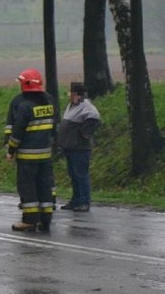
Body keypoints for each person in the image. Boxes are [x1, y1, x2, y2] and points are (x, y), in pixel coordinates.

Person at [6, 68, 56, 232]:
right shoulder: (49, 103)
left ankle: (30, 220)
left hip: (27, 157)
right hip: (46, 155)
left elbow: (17, 133)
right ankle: (45, 220)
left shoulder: (24, 106)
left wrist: (11, 150)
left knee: (28, 187)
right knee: (45, 186)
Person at [56, 82, 101, 212]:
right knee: (74, 175)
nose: (69, 95)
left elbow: (95, 118)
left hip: (80, 148)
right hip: (71, 148)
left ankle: (84, 201)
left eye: (71, 92)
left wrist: (84, 132)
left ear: (76, 94)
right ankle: (75, 200)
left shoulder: (86, 106)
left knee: (81, 175)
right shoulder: (73, 105)